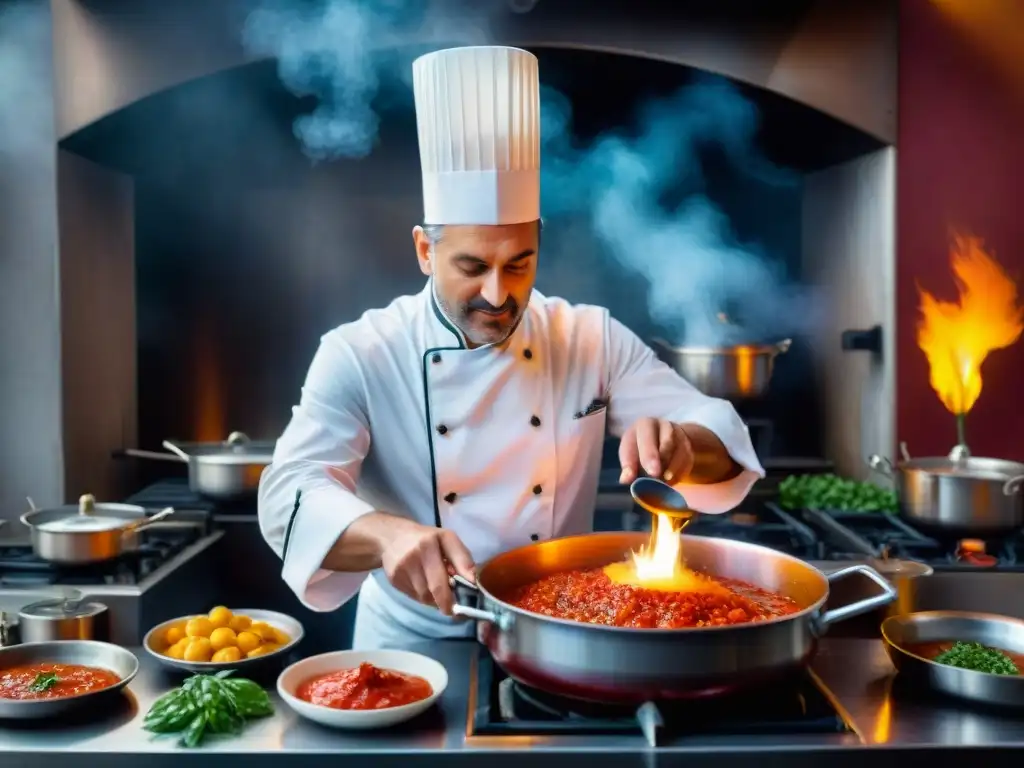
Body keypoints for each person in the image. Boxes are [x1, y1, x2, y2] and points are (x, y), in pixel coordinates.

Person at [258, 45, 765, 650]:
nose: (498, 294)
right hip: (410, 645)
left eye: (519, 264)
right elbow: (289, 493)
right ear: (425, 250)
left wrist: (682, 447)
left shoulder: (588, 337)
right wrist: (386, 534)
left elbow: (718, 436)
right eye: (472, 266)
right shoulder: (361, 352)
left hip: (561, 636)